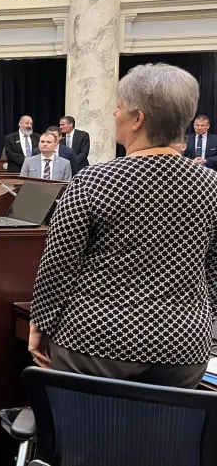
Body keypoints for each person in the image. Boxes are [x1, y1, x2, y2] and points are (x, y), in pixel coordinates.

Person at [29, 64, 217, 389]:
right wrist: (199, 324)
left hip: (92, 343)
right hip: (184, 347)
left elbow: (58, 264)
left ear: (137, 119)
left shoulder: (92, 180)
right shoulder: (211, 185)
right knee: (166, 435)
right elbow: (213, 272)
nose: (114, 113)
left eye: (118, 107)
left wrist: (41, 324)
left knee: (88, 430)